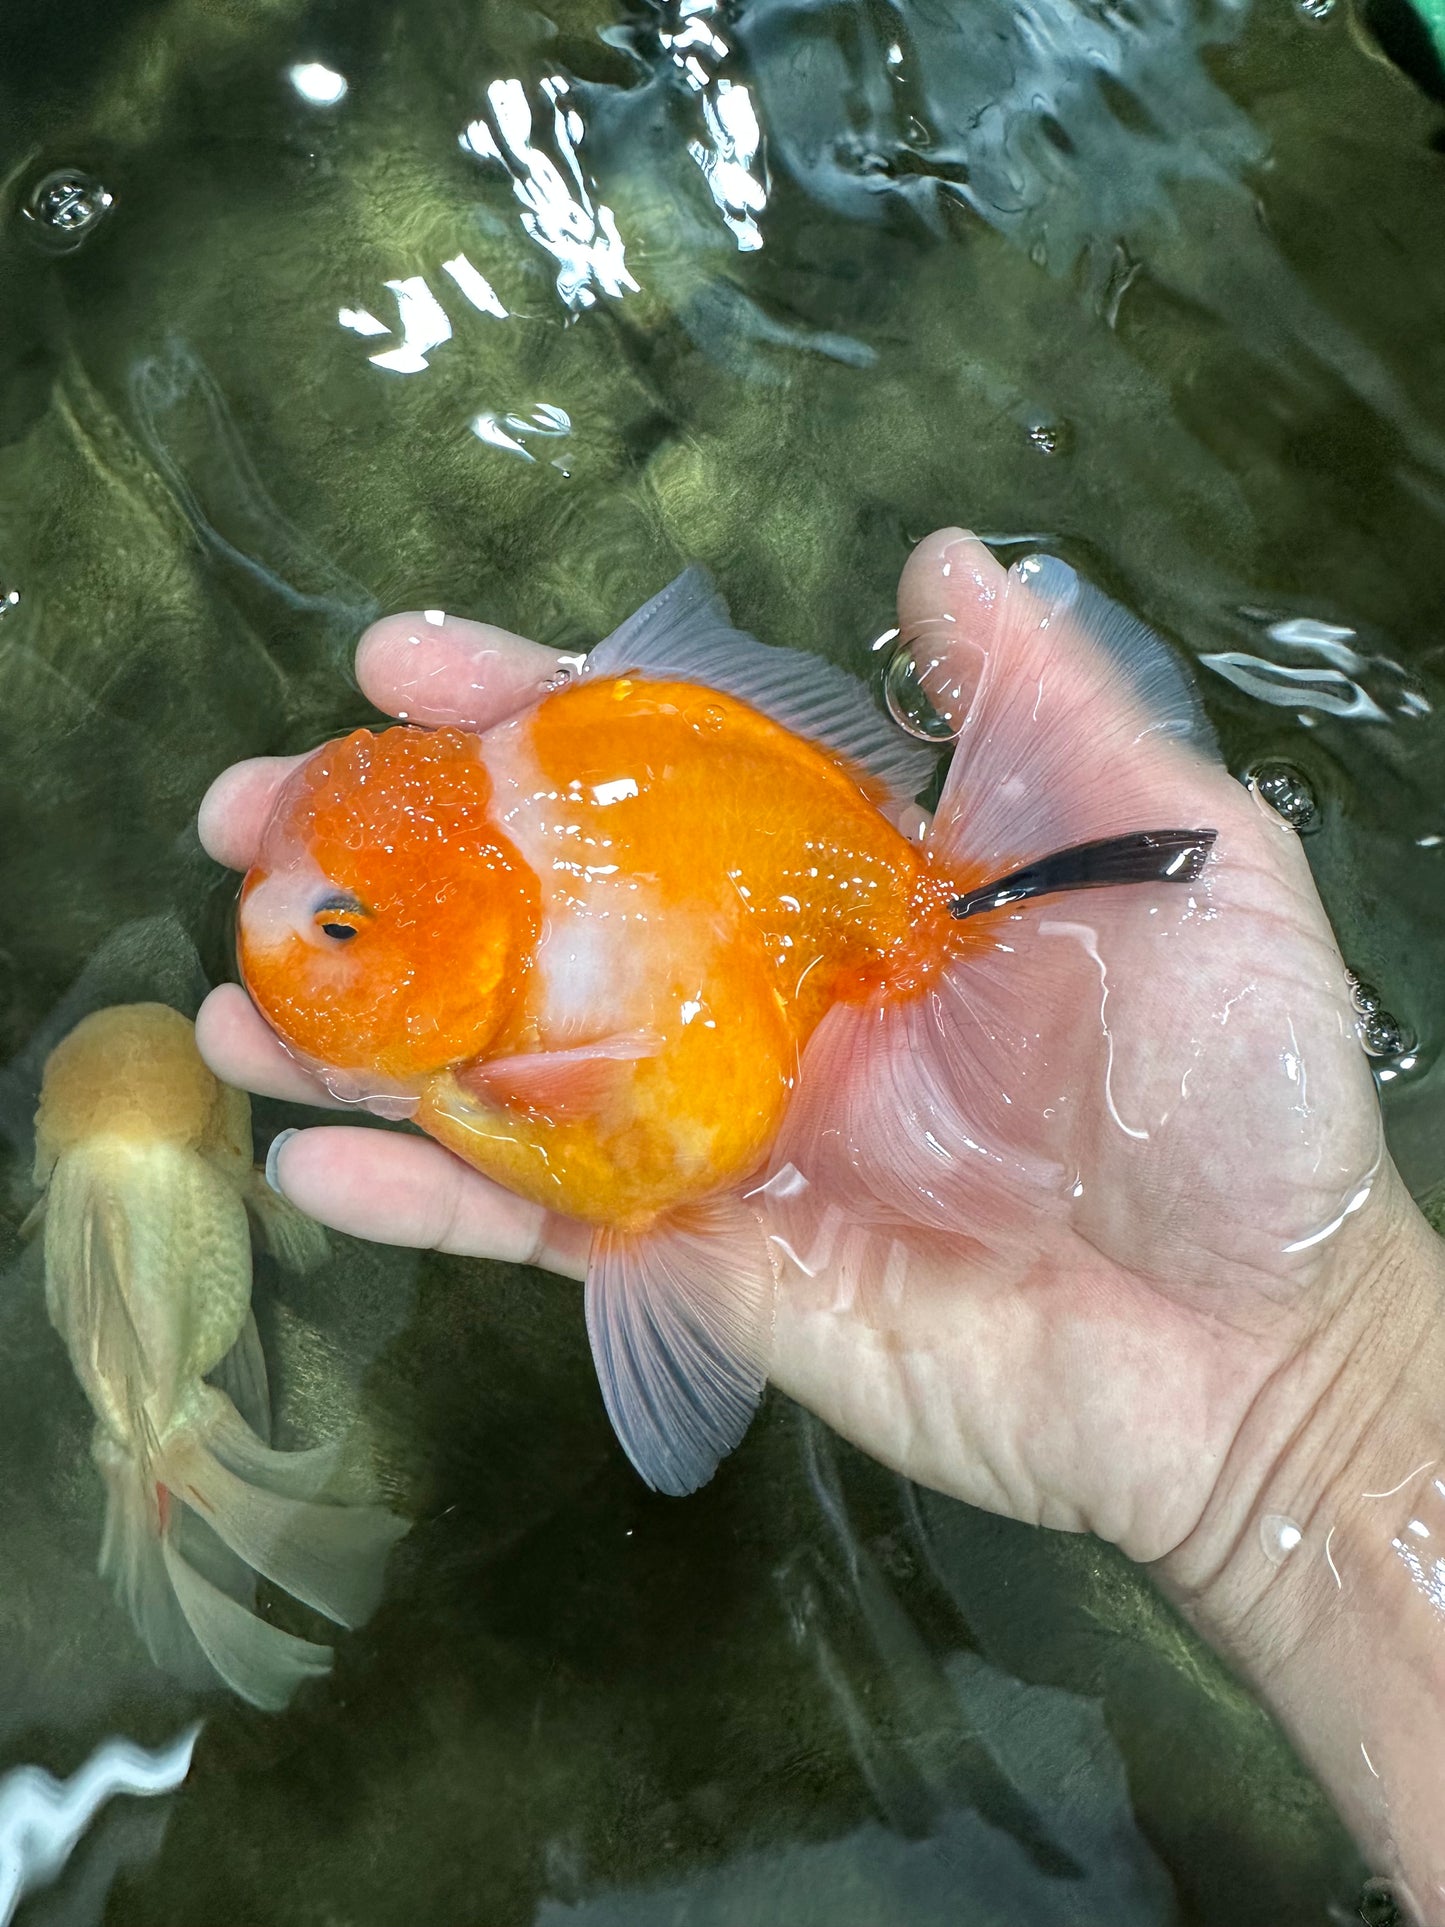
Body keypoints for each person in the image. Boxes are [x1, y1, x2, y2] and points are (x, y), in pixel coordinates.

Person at [195, 527, 1445, 1918]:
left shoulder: (506, 1044)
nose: (274, 930)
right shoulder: (494, 975)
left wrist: (1311, 1378)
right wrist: (1317, 1406)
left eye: (340, 930)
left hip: (793, 976)